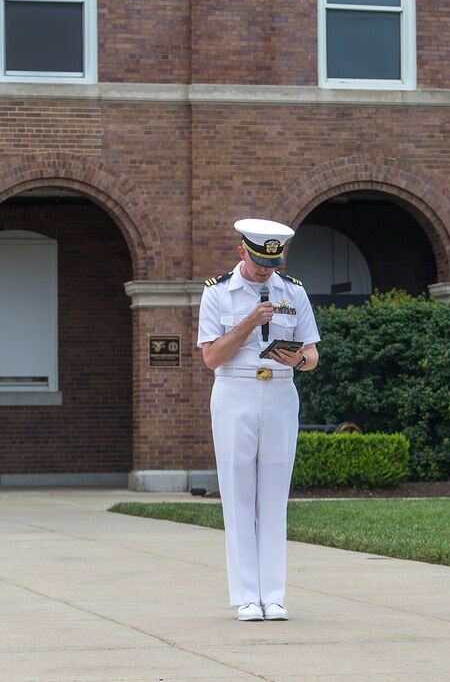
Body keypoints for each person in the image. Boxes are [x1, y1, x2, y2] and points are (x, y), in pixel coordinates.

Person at [197, 218, 321, 622]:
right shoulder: (217, 293)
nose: (265, 270)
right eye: (257, 261)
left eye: (272, 262)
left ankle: (274, 595)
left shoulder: (293, 292)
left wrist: (298, 359)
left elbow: (312, 354)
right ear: (241, 253)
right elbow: (211, 357)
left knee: (274, 498)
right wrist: (249, 323)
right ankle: (246, 596)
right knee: (238, 497)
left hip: (281, 391)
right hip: (235, 391)